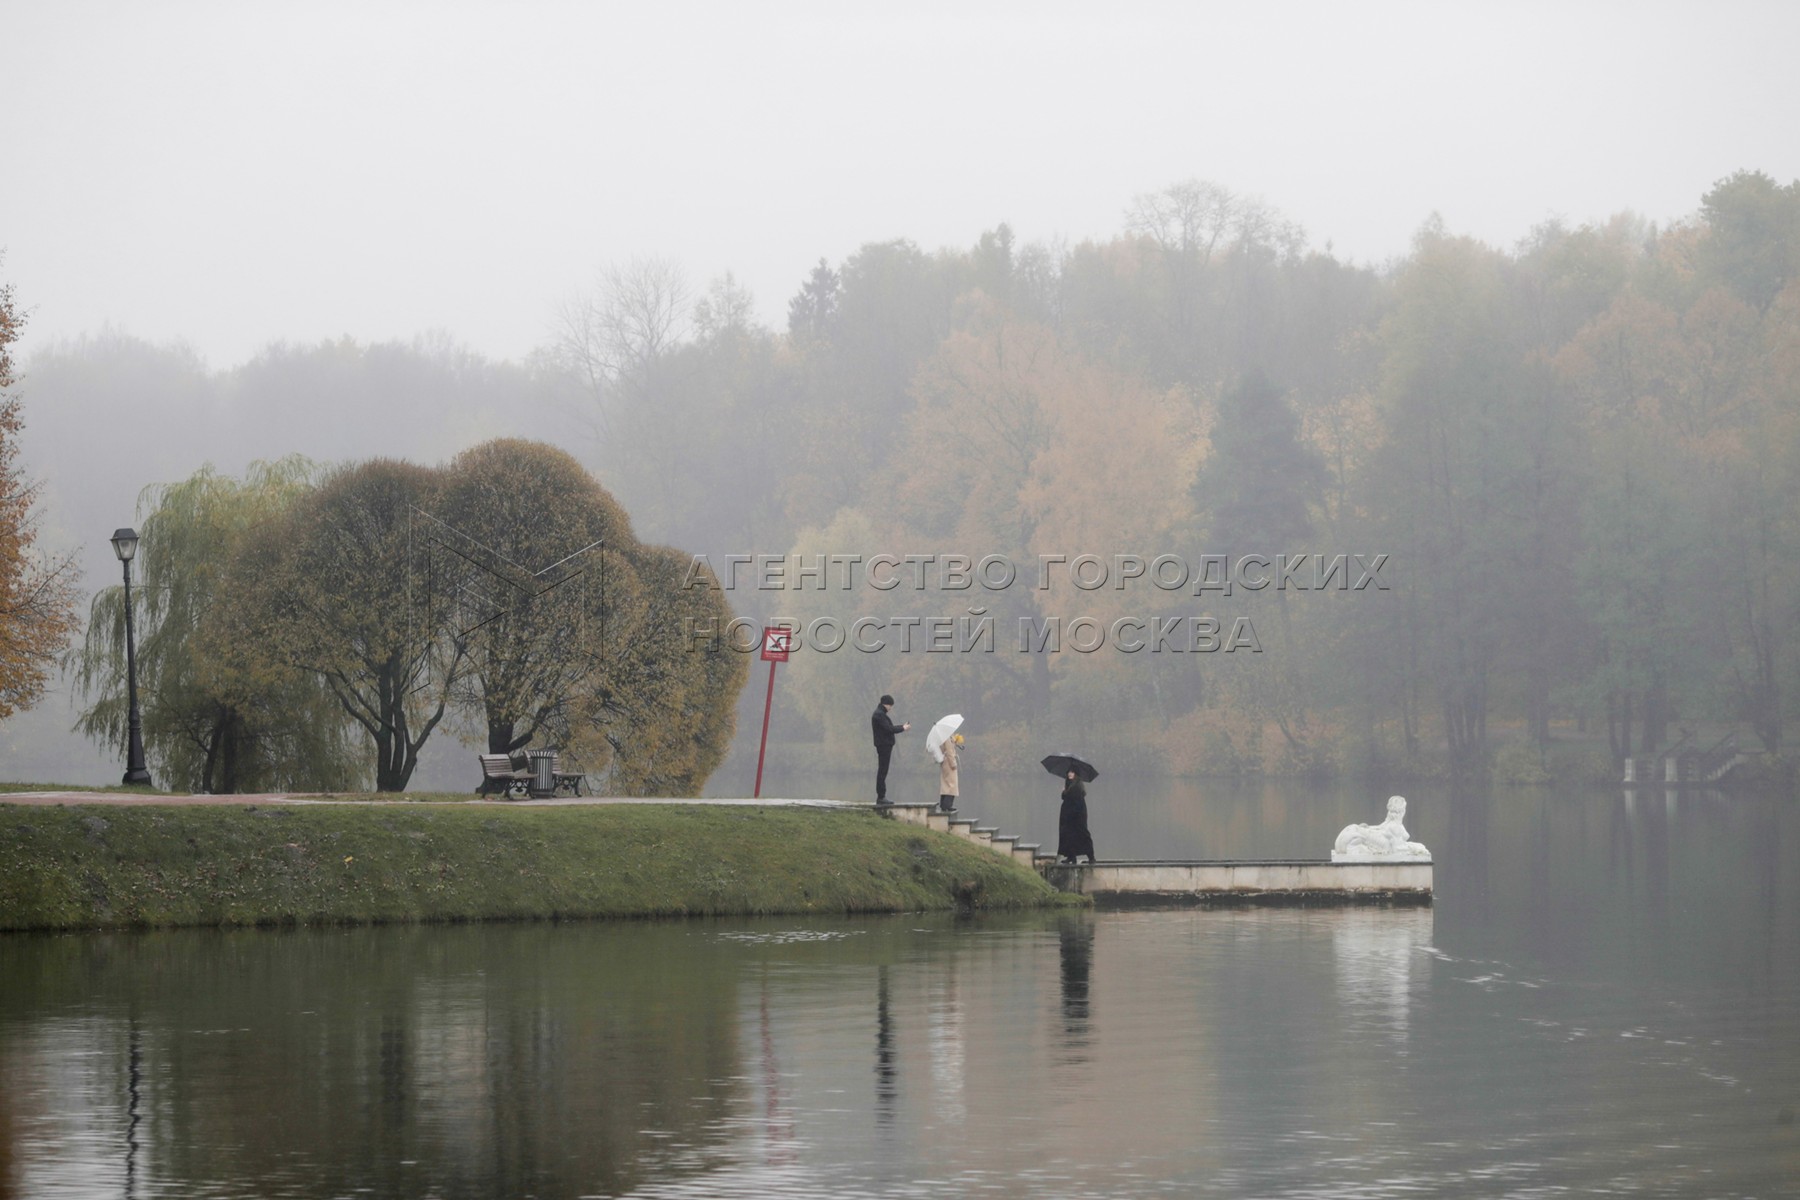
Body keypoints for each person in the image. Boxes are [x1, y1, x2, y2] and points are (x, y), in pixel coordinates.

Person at [870, 694, 910, 805]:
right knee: (882, 771)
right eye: (890, 705)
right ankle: (881, 797)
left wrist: (902, 726)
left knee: (883, 770)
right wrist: (903, 728)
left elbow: (889, 727)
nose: (890, 708)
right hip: (884, 746)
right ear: (886, 704)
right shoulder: (879, 715)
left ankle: (881, 796)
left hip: (884, 746)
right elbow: (889, 729)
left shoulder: (880, 714)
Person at [1058, 770, 1097, 864]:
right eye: (1068, 772)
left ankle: (1091, 857)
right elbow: (1065, 798)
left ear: (1076, 774)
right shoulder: (1069, 784)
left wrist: (1064, 792)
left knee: (1083, 834)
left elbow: (1072, 799)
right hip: (1069, 816)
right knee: (1068, 836)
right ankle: (1071, 857)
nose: (1069, 774)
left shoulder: (1077, 786)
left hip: (1077, 816)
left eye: (1072, 772)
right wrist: (1064, 791)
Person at [938, 732, 963, 814]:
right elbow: (949, 752)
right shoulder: (947, 738)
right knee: (952, 784)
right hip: (948, 763)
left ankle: (943, 805)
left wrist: (954, 742)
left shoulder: (947, 737)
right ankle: (947, 805)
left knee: (946, 784)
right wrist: (953, 764)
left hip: (945, 762)